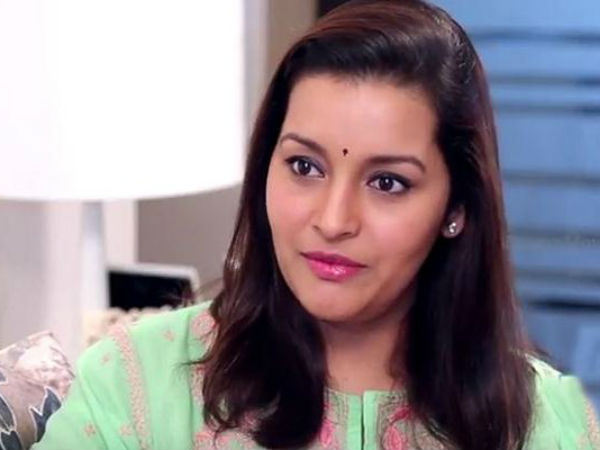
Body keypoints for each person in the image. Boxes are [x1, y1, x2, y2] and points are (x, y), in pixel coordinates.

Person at [33, 1, 600, 449]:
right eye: (305, 167)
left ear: (457, 209)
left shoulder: (553, 425)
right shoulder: (135, 384)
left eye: (388, 182)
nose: (333, 220)